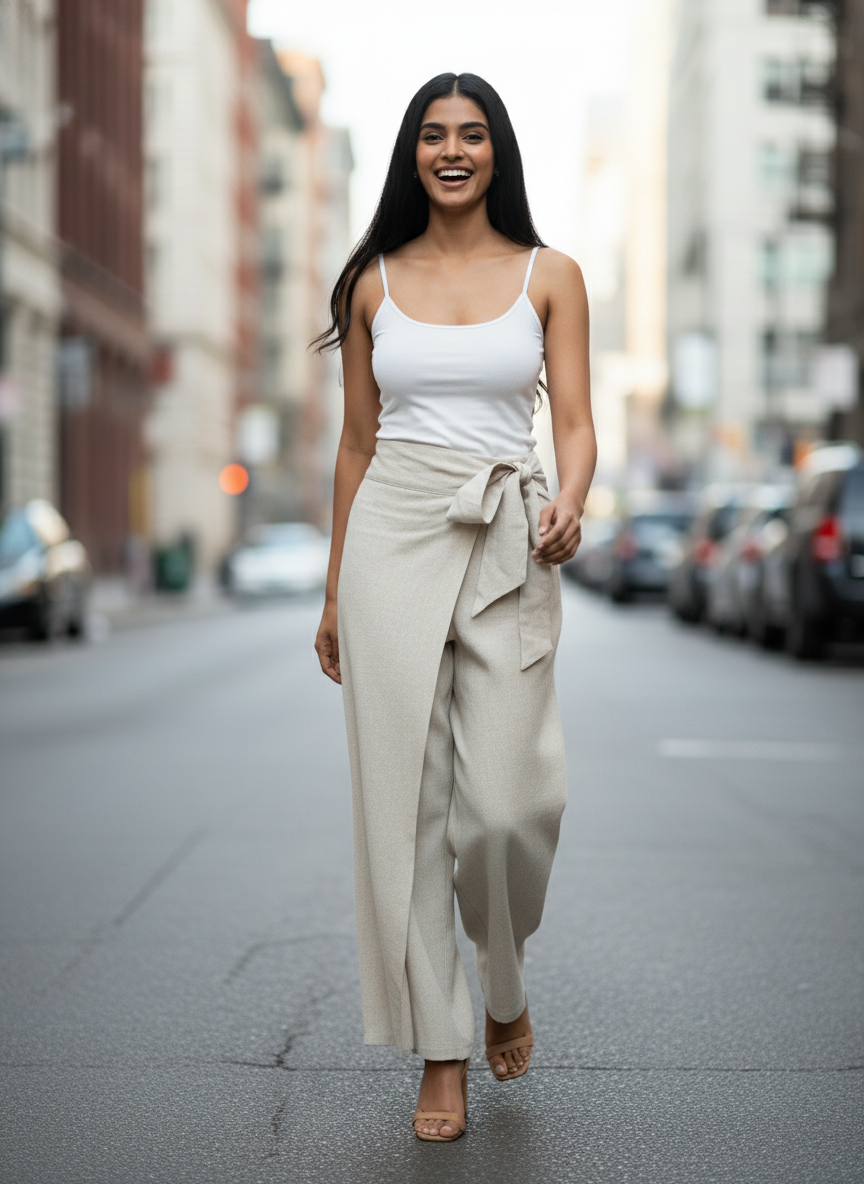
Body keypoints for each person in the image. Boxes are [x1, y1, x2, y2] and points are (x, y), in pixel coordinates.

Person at [314, 72, 595, 1142]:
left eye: (471, 134)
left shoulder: (550, 274)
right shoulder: (373, 282)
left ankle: (505, 978)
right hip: (393, 530)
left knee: (509, 807)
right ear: (411, 154)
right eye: (433, 134)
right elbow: (355, 443)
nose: (452, 149)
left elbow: (573, 418)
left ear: (497, 152)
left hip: (509, 531)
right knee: (409, 805)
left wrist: (570, 497)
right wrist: (337, 586)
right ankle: (442, 1048)